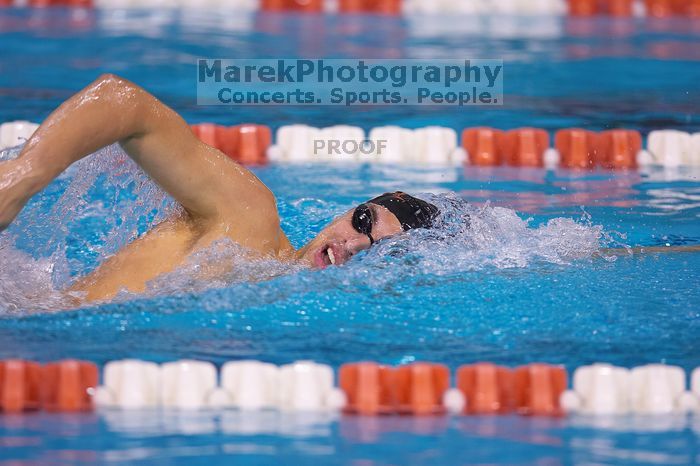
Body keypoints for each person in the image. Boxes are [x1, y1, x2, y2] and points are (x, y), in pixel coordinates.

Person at [0, 74, 440, 302]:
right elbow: (123, 101)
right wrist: (24, 176)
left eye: (378, 252)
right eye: (363, 222)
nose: (351, 246)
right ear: (351, 206)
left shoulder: (269, 298)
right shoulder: (249, 220)